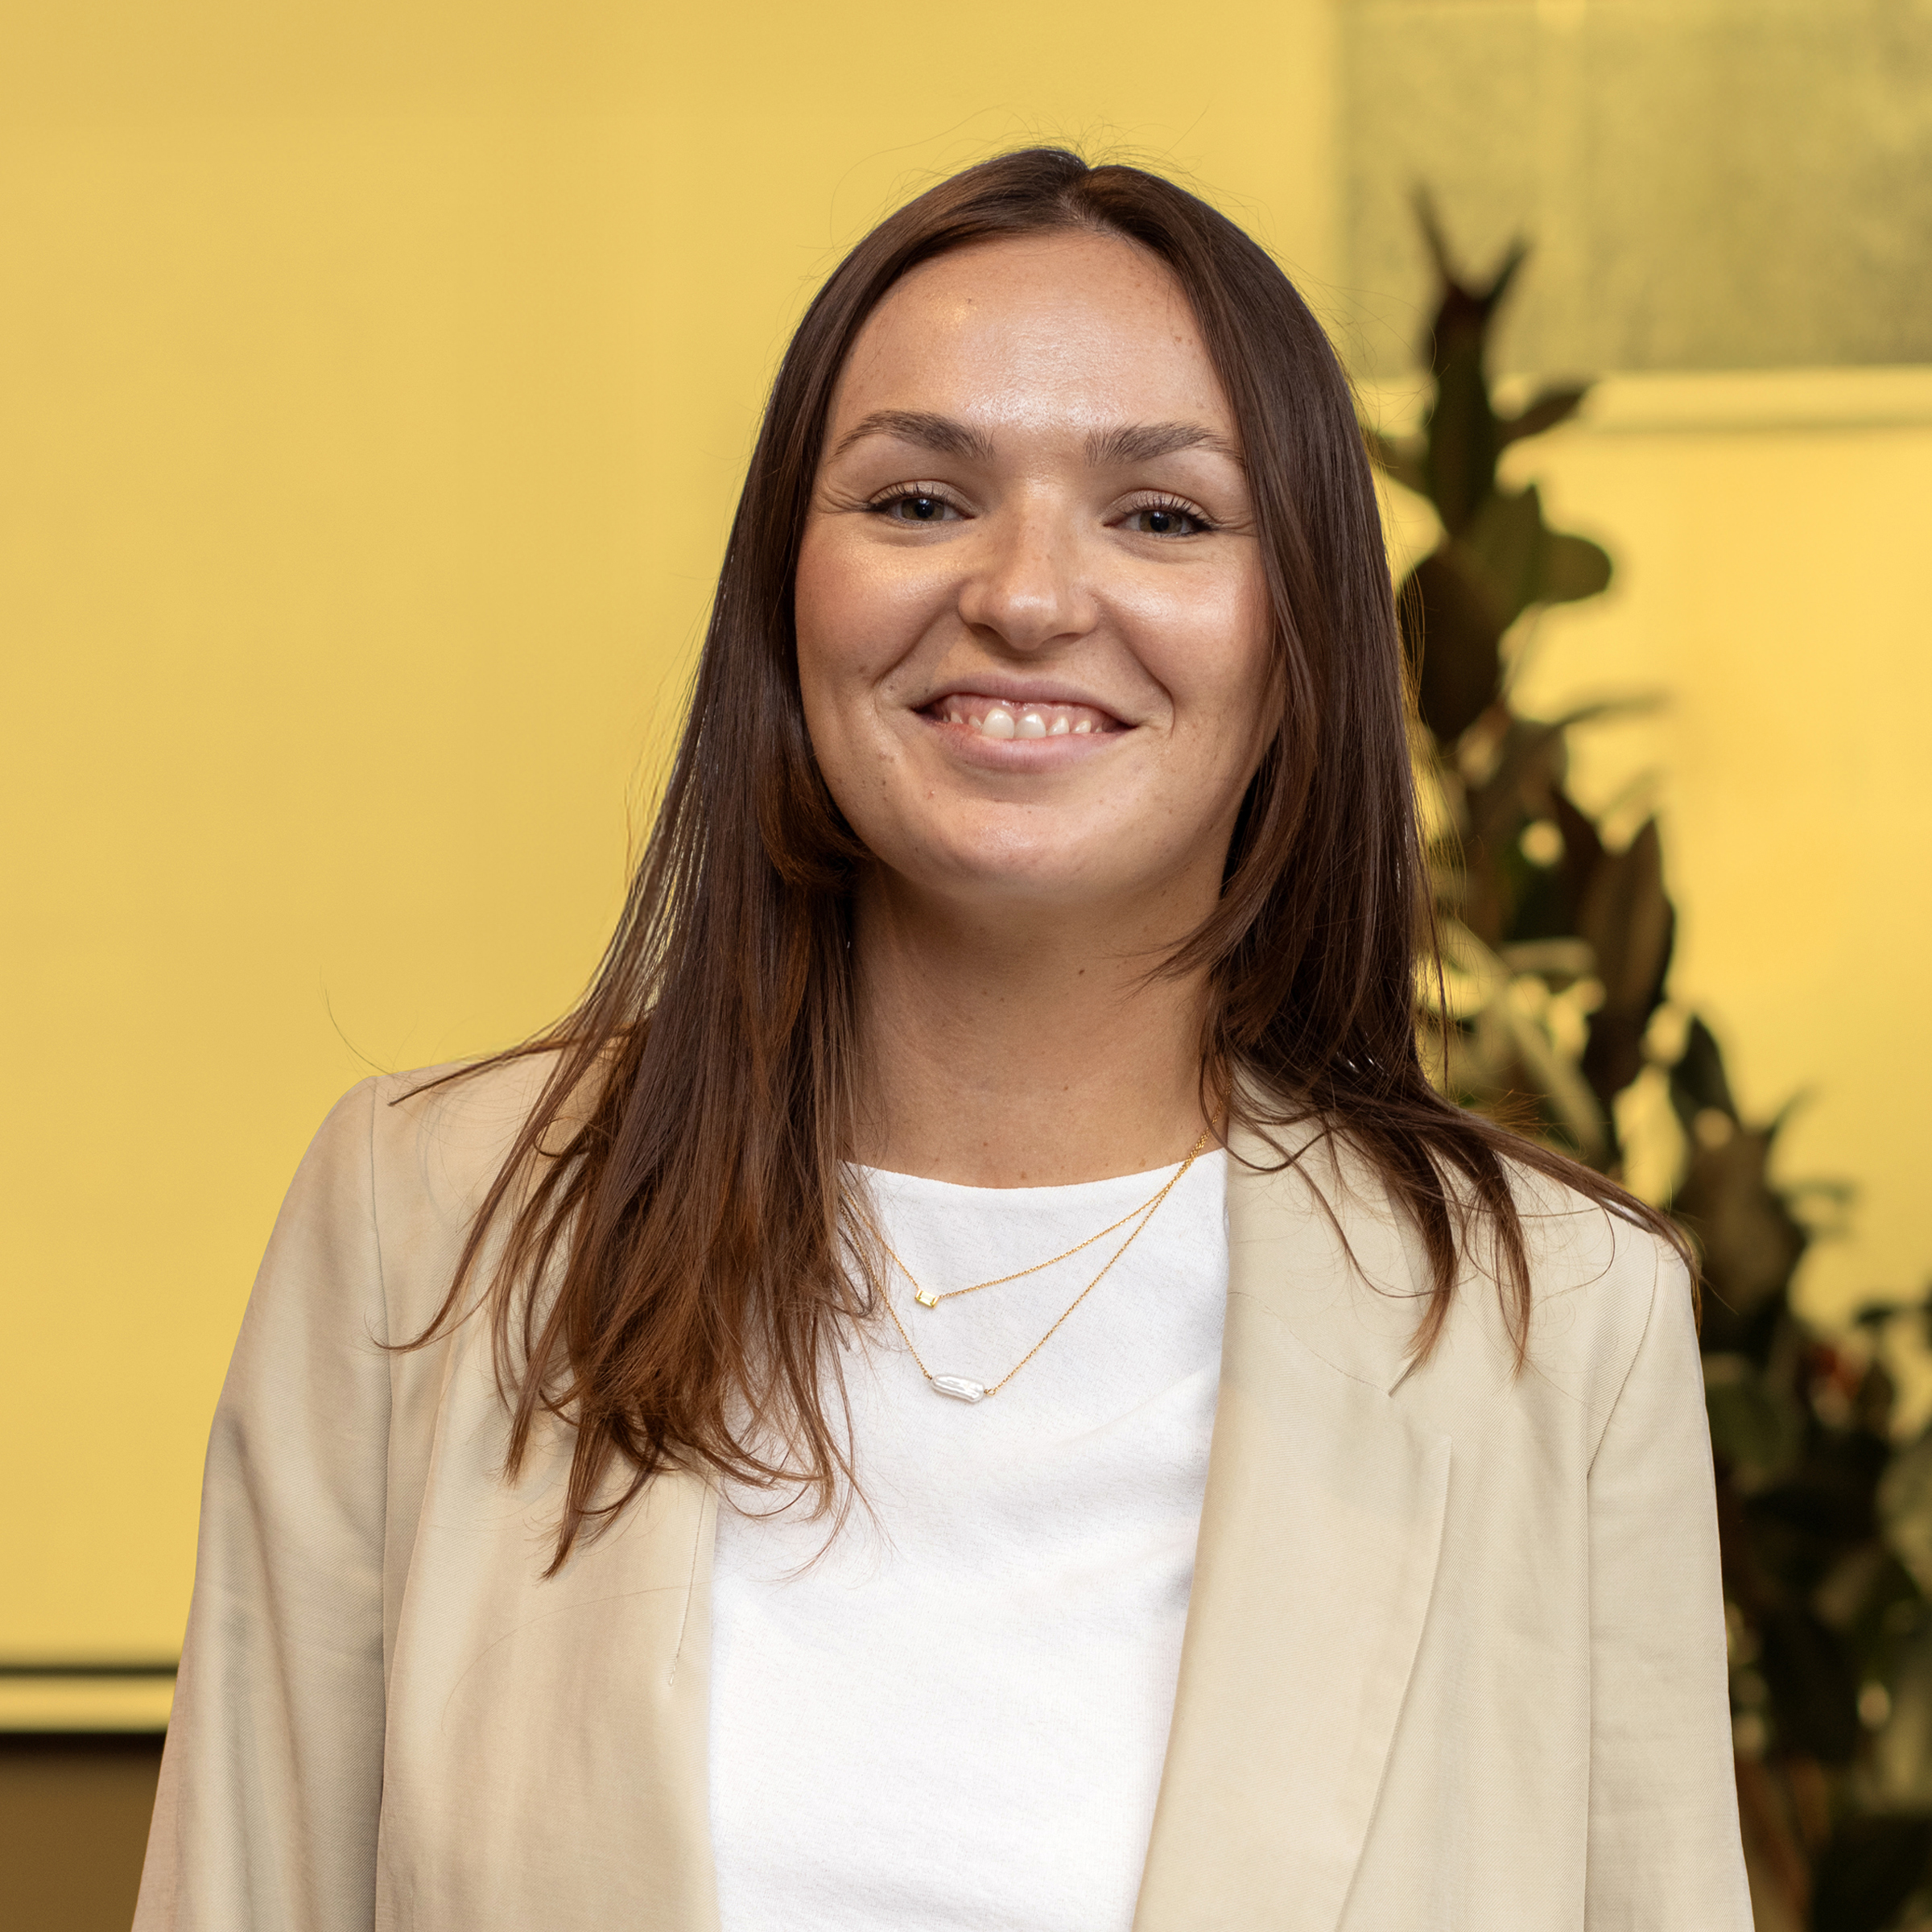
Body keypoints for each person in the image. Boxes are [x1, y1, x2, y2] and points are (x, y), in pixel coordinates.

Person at [134, 148, 1750, 1931]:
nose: (1028, 597)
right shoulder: (428, 1219)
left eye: (1164, 516)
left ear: (1302, 634)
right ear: (787, 592)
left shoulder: (1555, 1323)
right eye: (917, 500)